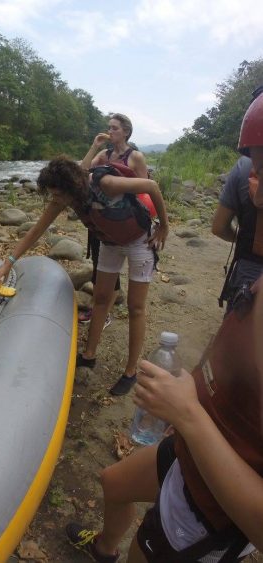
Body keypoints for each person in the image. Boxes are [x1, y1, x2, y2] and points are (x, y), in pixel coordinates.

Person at [63, 87, 263, 563]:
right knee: (113, 482)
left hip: (209, 508)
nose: (250, 181)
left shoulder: (124, 171)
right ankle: (105, 548)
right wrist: (191, 404)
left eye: (260, 167)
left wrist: (188, 413)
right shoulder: (255, 282)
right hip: (195, 448)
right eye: (252, 165)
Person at [0, 156, 169, 395]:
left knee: (135, 307)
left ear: (71, 187)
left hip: (140, 241)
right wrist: (8, 263)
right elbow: (36, 230)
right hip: (109, 243)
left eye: (57, 194)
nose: (54, 199)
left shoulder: (106, 184)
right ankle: (89, 354)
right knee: (100, 298)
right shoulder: (64, 199)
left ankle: (130, 372)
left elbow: (151, 186)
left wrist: (164, 226)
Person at [79, 114, 150, 328]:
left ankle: (104, 309)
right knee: (100, 265)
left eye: (115, 128)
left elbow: (145, 192)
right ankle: (101, 307)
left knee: (117, 268)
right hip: (101, 221)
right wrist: (94, 146)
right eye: (109, 127)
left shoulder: (135, 157)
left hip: (125, 221)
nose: (110, 131)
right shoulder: (104, 153)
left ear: (126, 131)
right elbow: (81, 173)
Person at [212, 86, 263, 312]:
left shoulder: (243, 167)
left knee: (238, 345)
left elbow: (219, 227)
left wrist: (241, 239)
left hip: (250, 271)